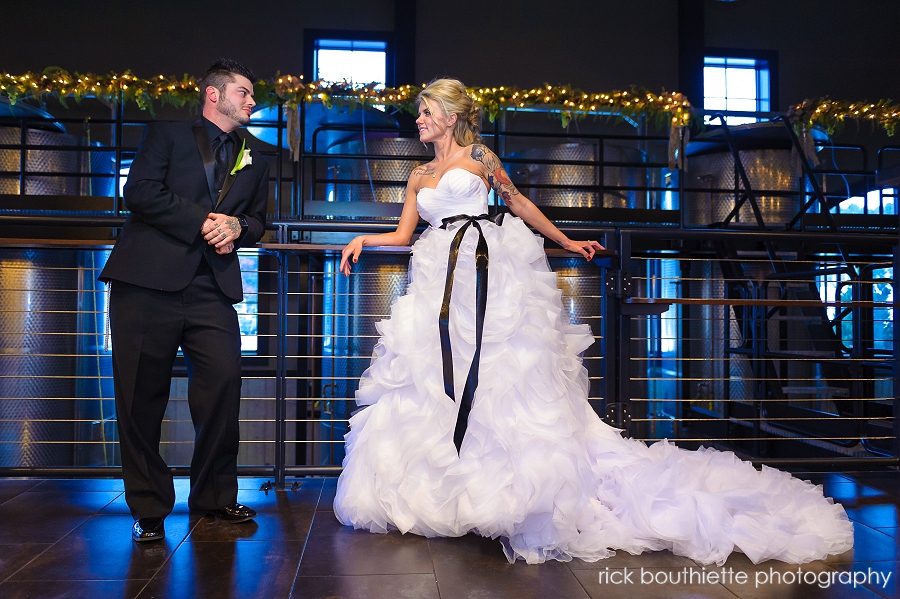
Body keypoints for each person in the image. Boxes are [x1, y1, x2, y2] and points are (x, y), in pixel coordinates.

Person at [332, 77, 854, 565]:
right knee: (428, 380)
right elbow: (403, 235)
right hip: (437, 280)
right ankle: (444, 491)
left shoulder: (481, 157)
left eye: (425, 112)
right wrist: (362, 239)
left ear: (448, 115)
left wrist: (566, 241)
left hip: (487, 272)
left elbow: (518, 203)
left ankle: (507, 492)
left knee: (501, 378)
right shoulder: (418, 174)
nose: (418, 119)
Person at [100, 58, 269, 542]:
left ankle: (214, 497)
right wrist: (203, 221)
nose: (252, 100)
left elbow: (260, 221)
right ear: (213, 95)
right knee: (139, 397)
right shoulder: (168, 135)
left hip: (211, 288)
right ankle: (149, 508)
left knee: (222, 387)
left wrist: (238, 227)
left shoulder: (257, 153)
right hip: (146, 283)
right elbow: (140, 192)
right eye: (244, 91)